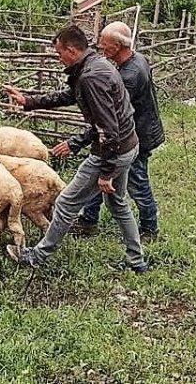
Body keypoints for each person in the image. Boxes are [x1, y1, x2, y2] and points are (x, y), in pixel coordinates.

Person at [2, 25, 148, 273]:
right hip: (128, 144)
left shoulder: (91, 76)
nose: (59, 59)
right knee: (117, 204)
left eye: (59, 53)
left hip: (111, 151)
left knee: (66, 202)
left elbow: (108, 129)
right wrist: (30, 102)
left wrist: (105, 172)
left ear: (71, 50)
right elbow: (71, 96)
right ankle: (137, 261)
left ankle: (37, 257)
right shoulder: (94, 67)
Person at [58, 21, 164, 242]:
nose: (100, 46)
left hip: (134, 138)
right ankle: (89, 219)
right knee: (102, 176)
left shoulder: (129, 76)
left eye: (104, 43)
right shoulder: (136, 60)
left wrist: (76, 142)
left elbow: (107, 124)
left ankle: (149, 229)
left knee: (137, 182)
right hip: (134, 133)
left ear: (117, 46)